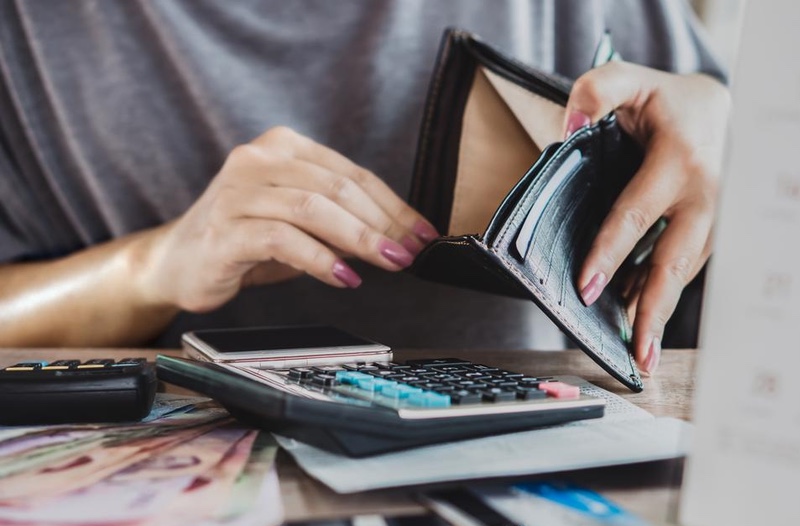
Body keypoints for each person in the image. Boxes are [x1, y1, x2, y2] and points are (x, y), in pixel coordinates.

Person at [0, 0, 729, 375]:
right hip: (174, 513)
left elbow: (734, 145)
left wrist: (729, 125)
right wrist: (149, 269)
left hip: (551, 488)